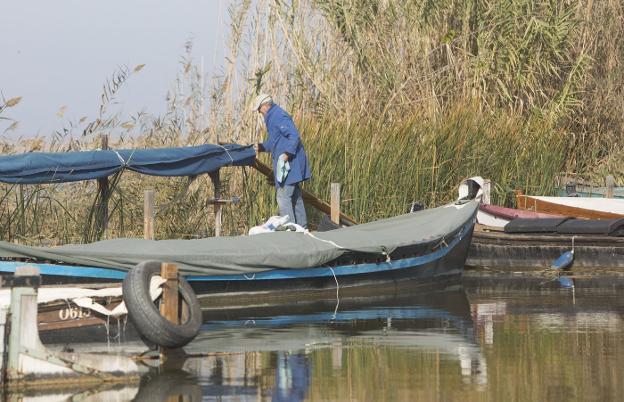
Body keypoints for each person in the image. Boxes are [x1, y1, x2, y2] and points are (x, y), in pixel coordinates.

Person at [252, 93, 311, 228]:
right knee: (295, 197)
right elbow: (275, 142)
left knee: (283, 197)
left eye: (259, 109)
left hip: (291, 164)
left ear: (265, 106)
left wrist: (286, 154)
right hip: (291, 164)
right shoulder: (272, 117)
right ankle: (303, 228)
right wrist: (260, 147)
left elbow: (294, 136)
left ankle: (290, 231)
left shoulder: (278, 116)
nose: (259, 113)